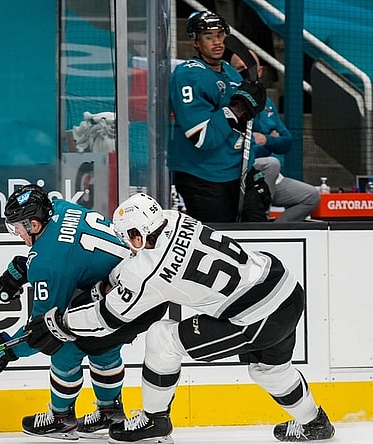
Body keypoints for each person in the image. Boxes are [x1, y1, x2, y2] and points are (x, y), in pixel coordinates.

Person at [24, 193, 335, 442]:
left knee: (162, 338)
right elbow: (142, 264)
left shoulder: (148, 271)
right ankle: (316, 424)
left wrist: (61, 323)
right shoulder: (175, 218)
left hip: (256, 315)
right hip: (285, 287)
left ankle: (155, 421)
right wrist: (112, 282)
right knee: (270, 371)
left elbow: (108, 317)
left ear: (136, 234)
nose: (127, 246)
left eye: (126, 238)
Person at [0, 184, 167, 440]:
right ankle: (110, 411)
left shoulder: (50, 265)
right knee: (101, 343)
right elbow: (72, 252)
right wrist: (24, 267)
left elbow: (40, 331)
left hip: (128, 299)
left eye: (17, 227)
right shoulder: (62, 208)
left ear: (33, 224)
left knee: (63, 341)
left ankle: (60, 418)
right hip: (147, 293)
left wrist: (6, 349)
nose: (17, 233)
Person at [168, 10, 269, 222]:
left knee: (259, 237)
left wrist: (251, 171)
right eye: (208, 36)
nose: (217, 42)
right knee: (218, 246)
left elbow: (246, 125)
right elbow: (202, 136)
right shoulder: (188, 74)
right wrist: (239, 108)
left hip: (239, 173)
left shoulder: (230, 71)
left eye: (220, 35)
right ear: (195, 41)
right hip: (203, 178)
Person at [230, 50, 320, 222]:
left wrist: (267, 139)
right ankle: (259, 216)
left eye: (250, 68)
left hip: (269, 176)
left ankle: (276, 229)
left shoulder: (268, 103)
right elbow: (242, 146)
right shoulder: (232, 100)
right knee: (272, 163)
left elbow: (286, 142)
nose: (246, 73)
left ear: (260, 71)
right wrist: (270, 140)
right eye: (240, 69)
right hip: (242, 171)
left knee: (311, 196)